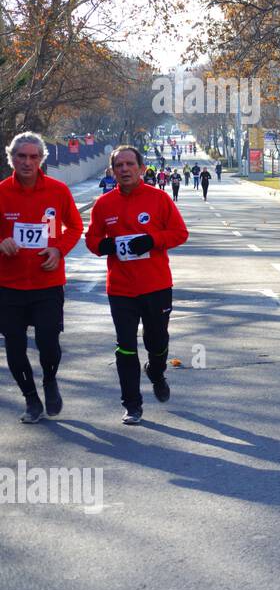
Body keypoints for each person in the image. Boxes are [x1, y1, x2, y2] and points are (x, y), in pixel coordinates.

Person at [86, 145, 189, 424]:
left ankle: (156, 371)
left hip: (156, 284)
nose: (124, 169)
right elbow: (91, 240)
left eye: (130, 164)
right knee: (125, 345)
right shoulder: (104, 204)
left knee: (157, 340)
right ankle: (132, 404)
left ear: (141, 169)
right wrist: (103, 245)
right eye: (119, 165)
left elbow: (180, 233)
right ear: (112, 171)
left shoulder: (159, 199)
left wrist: (153, 240)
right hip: (120, 288)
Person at [0, 133, 84, 422]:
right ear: (11, 158)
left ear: (41, 159)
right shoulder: (1, 192)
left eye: (33, 156)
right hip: (9, 285)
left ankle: (50, 380)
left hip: (47, 283)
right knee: (14, 347)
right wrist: (2, 241)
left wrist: (58, 249)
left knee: (49, 343)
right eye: (21, 156)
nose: (27, 162)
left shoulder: (58, 191)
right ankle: (30, 399)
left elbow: (74, 226)